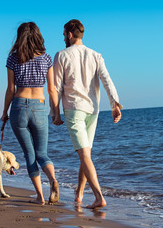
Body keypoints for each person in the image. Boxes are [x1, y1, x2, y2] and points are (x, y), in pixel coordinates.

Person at [51, 19, 122, 209]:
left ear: (69, 34)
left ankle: (99, 197)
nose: (62, 37)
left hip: (74, 109)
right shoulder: (95, 55)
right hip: (93, 109)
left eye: (63, 33)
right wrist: (115, 104)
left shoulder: (61, 55)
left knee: (84, 154)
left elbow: (56, 88)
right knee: (86, 153)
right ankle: (80, 194)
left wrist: (55, 113)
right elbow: (107, 79)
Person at [1, 22, 63, 205]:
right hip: (39, 107)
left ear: (19, 37)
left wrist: (4, 112)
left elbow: (10, 90)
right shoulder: (46, 58)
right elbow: (52, 90)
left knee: (29, 154)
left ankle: (40, 197)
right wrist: (56, 114)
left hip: (19, 106)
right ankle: (53, 180)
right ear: (38, 36)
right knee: (42, 153)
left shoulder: (13, 59)